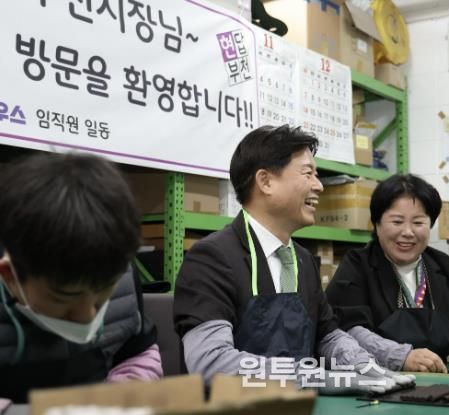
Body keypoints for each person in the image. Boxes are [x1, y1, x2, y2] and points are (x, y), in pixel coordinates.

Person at [173, 125, 412, 392]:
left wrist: (364, 364)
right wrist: (319, 378)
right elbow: (212, 363)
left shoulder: (302, 260)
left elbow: (327, 335)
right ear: (265, 182)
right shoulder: (211, 259)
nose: (319, 186)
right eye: (308, 173)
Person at [0, 152, 163, 403]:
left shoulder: (115, 266)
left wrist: (122, 395)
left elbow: (136, 353)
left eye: (101, 295)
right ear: (11, 275)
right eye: (65, 298)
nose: (88, 316)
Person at [325, 174, 449, 373]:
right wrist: (400, 356)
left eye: (418, 222)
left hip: (440, 381)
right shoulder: (357, 265)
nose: (408, 232)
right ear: (377, 224)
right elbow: (348, 332)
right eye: (397, 222)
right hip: (379, 380)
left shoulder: (444, 266)